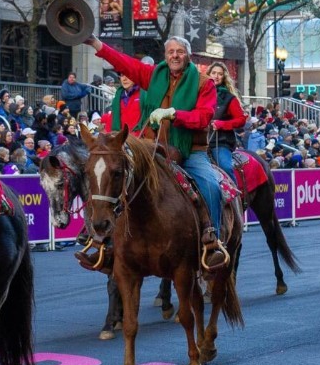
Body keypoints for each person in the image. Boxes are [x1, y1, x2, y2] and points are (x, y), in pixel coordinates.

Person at [83, 33, 229, 270]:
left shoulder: (205, 83)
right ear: (165, 55)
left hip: (190, 149)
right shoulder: (153, 75)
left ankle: (212, 239)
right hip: (152, 146)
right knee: (112, 175)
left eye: (179, 52)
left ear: (188, 56)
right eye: (170, 52)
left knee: (210, 184)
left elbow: (204, 116)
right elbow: (125, 63)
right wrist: (96, 44)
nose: (175, 56)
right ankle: (100, 241)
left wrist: (174, 114)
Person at [207, 62, 246, 183]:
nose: (216, 76)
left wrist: (222, 124)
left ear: (224, 78)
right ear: (208, 74)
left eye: (220, 74)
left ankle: (235, 197)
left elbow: (241, 119)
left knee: (225, 167)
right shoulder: (199, 93)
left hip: (220, 142)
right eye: (214, 73)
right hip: (198, 141)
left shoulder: (229, 98)